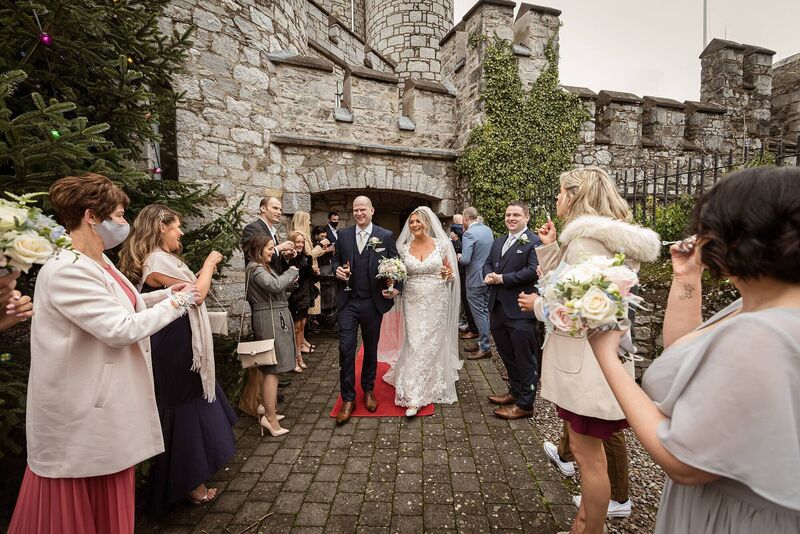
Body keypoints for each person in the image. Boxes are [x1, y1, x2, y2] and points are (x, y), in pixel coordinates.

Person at [586, 166, 800, 533]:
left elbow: (682, 461)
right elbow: (683, 356)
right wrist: (687, 277)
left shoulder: (764, 332)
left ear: (740, 234)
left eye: (708, 227)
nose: (699, 237)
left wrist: (606, 356)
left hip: (733, 519)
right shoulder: (764, 304)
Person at [8, 173, 198, 534]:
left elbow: (127, 303)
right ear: (92, 216)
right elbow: (119, 328)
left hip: (107, 411)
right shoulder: (67, 269)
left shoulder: (102, 261)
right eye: (121, 216)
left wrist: (162, 297)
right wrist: (179, 300)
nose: (125, 224)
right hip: (82, 415)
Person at [518, 166, 660, 534]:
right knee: (590, 453)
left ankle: (590, 527)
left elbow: (578, 311)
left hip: (585, 363)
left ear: (575, 195)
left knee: (588, 458)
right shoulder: (606, 239)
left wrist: (536, 305)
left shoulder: (584, 241)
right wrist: (551, 249)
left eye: (560, 192)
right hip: (602, 361)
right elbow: (573, 288)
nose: (556, 199)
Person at [118, 204, 237, 514]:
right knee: (181, 410)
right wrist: (210, 262)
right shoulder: (157, 260)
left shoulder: (162, 258)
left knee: (191, 404)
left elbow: (184, 291)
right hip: (173, 344)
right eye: (176, 226)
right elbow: (196, 294)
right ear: (161, 227)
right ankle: (188, 483)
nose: (180, 232)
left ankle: (193, 473)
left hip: (178, 339)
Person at [380, 207, 462, 416]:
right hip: (413, 298)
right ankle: (414, 393)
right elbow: (399, 275)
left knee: (432, 341)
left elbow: (450, 277)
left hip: (437, 299)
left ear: (427, 222)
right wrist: (391, 280)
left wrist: (447, 274)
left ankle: (424, 389)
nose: (414, 225)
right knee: (415, 341)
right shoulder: (404, 248)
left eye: (418, 221)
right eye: (412, 222)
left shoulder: (442, 245)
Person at [331, 196, 400, 424]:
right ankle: (348, 398)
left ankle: (368, 389)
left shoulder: (385, 236)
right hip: (348, 301)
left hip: (372, 302)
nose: (359, 213)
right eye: (355, 210)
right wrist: (336, 271)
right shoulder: (343, 235)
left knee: (371, 348)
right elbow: (336, 260)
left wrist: (395, 287)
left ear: (372, 210)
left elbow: (397, 268)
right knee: (346, 348)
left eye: (363, 209)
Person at [483, 201, 542, 420]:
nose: (511, 218)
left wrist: (502, 279)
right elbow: (488, 263)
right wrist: (488, 274)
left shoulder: (534, 242)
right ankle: (514, 392)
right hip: (498, 307)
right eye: (508, 215)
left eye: (516, 215)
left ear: (526, 217)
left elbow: (532, 272)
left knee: (525, 358)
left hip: (520, 309)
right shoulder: (498, 242)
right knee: (507, 354)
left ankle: (526, 404)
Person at [244, 233, 300, 437]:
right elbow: (274, 286)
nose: (272, 251)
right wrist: (292, 271)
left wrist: (291, 283)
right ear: (258, 250)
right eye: (269, 248)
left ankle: (268, 409)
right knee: (272, 368)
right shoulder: (255, 268)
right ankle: (270, 418)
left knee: (272, 367)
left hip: (275, 315)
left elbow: (278, 290)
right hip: (269, 320)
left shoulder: (263, 268)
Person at [458, 207, 494, 360]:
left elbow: (466, 259)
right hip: (487, 277)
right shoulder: (487, 230)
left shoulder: (469, 233)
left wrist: (458, 256)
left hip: (474, 279)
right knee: (484, 311)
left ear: (465, 219)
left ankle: (485, 347)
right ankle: (482, 343)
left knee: (479, 314)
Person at [286, 230, 319, 372]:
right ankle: (292, 359)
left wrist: (315, 273)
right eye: (297, 242)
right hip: (295, 297)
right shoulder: (289, 258)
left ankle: (299, 356)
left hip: (306, 295)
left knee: (302, 328)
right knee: (294, 328)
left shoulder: (306, 258)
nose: (300, 244)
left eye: (302, 241)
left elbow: (311, 278)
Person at [290, 211, 319, 354]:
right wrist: (320, 248)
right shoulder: (297, 240)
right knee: (298, 323)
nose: (309, 223)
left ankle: (302, 344)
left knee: (303, 321)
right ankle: (298, 348)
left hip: (307, 286)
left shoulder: (303, 240)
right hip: (299, 291)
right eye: (308, 220)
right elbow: (309, 256)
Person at [241, 196, 296, 267]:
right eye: (275, 208)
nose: (279, 212)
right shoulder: (252, 228)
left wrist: (285, 256)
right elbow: (254, 256)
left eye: (280, 210)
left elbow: (271, 261)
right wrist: (280, 248)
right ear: (263, 208)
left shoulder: (272, 231)